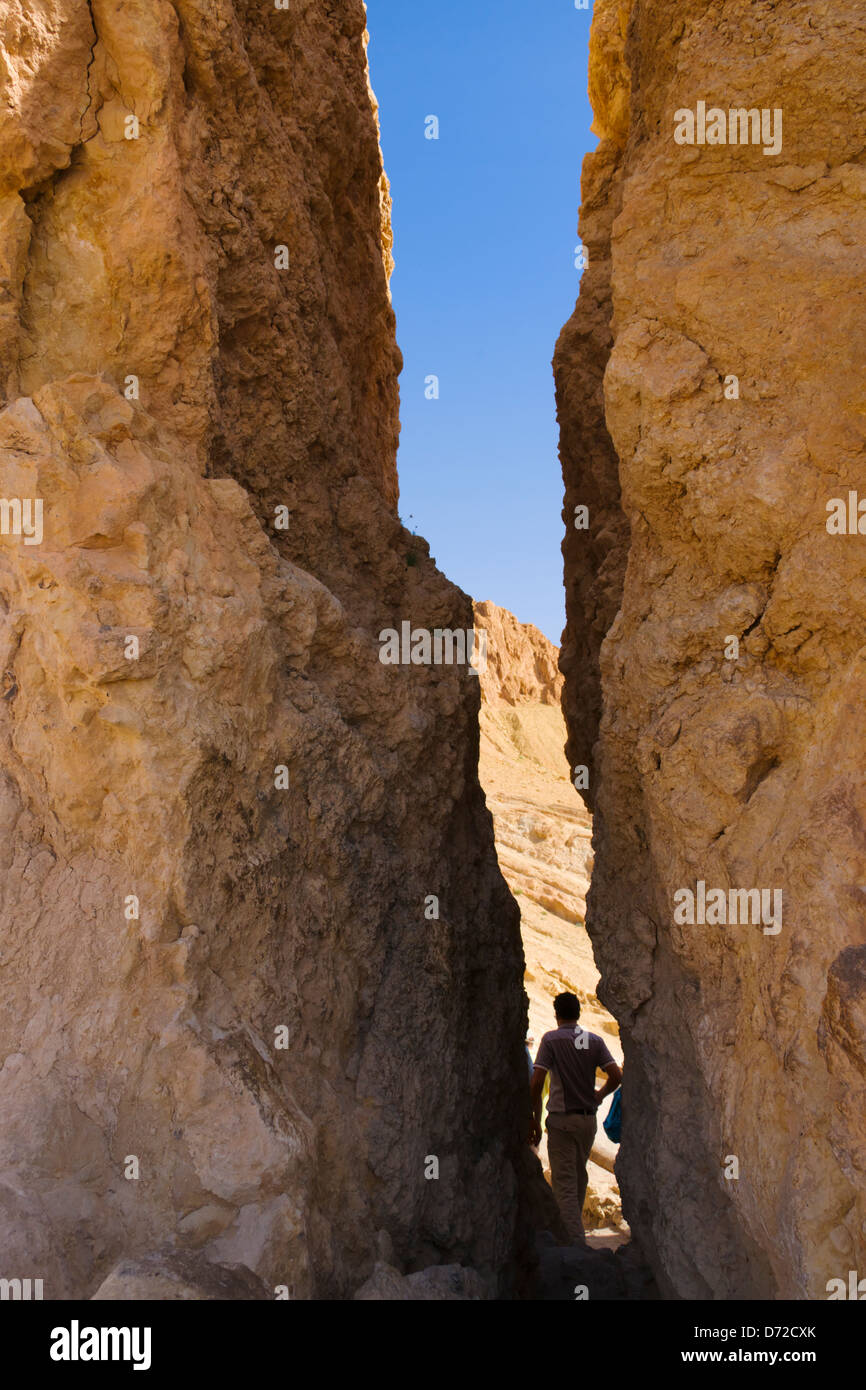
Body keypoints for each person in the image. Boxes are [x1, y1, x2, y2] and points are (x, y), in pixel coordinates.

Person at [530, 991, 622, 1244]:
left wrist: (533, 1117)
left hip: (562, 1121)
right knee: (579, 1177)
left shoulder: (551, 1040)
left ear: (556, 1014)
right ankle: (574, 1235)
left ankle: (575, 1246)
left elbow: (537, 1080)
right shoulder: (594, 1040)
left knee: (564, 1185)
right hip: (587, 1122)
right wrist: (600, 1095)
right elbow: (615, 1074)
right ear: (579, 1014)